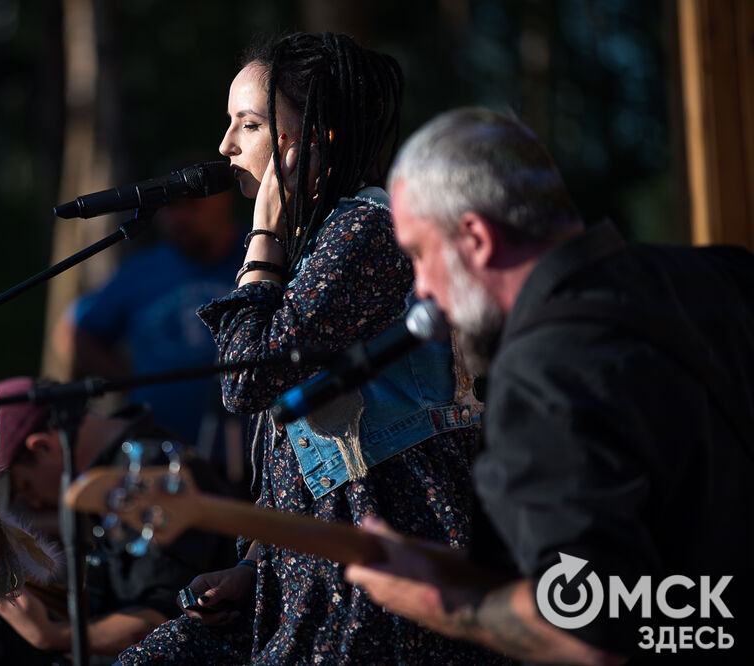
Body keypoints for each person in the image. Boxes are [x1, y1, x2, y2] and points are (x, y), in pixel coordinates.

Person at [117, 33, 502, 664]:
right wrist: (254, 564)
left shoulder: (365, 233)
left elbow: (247, 378)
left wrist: (263, 233)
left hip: (386, 562)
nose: (225, 147)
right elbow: (295, 457)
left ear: (309, 141)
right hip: (312, 568)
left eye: (248, 124)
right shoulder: (322, 243)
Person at [345, 108, 754, 664]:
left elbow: (594, 632)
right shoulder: (726, 276)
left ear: (475, 239)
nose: (422, 292)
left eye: (418, 254)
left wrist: (441, 603)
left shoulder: (539, 377)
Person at [0, 376, 236, 659]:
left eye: (26, 486)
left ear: (42, 446)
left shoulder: (147, 472)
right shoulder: (109, 476)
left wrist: (50, 635)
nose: (34, 502)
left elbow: (163, 620)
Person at [52, 190, 249, 486]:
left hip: (256, 454)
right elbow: (75, 335)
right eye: (170, 209)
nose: (179, 219)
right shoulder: (144, 270)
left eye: (191, 205)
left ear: (223, 202)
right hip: (165, 459)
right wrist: (132, 378)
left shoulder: (261, 252)